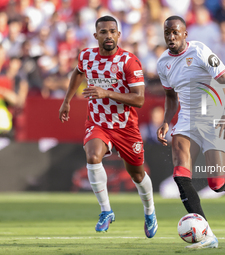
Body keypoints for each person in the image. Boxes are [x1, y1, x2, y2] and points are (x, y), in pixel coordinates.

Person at [156, 16, 225, 249]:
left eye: (175, 32)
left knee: (216, 183)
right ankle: (208, 234)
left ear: (185, 34)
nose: (171, 37)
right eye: (167, 32)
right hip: (187, 119)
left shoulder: (200, 51)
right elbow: (170, 96)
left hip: (213, 117)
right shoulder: (162, 63)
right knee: (180, 174)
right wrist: (166, 121)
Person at [58, 16, 158, 237]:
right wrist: (67, 100)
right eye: (103, 32)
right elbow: (77, 72)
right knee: (93, 157)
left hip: (125, 126)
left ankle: (150, 211)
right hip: (97, 122)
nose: (109, 36)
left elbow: (139, 99)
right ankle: (106, 211)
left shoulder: (129, 61)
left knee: (138, 175)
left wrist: (106, 93)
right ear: (96, 36)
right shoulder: (86, 56)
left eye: (112, 31)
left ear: (118, 35)